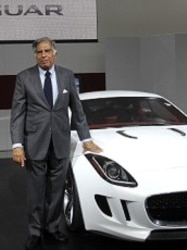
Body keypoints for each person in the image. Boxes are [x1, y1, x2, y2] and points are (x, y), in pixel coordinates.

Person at [10, 37, 102, 250]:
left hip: (60, 142)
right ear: (36, 55)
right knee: (36, 190)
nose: (44, 55)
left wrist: (86, 139)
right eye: (40, 52)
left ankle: (52, 227)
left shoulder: (67, 76)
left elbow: (78, 111)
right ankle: (35, 230)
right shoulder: (24, 78)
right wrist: (17, 145)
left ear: (55, 53)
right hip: (35, 142)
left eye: (47, 51)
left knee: (57, 190)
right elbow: (17, 114)